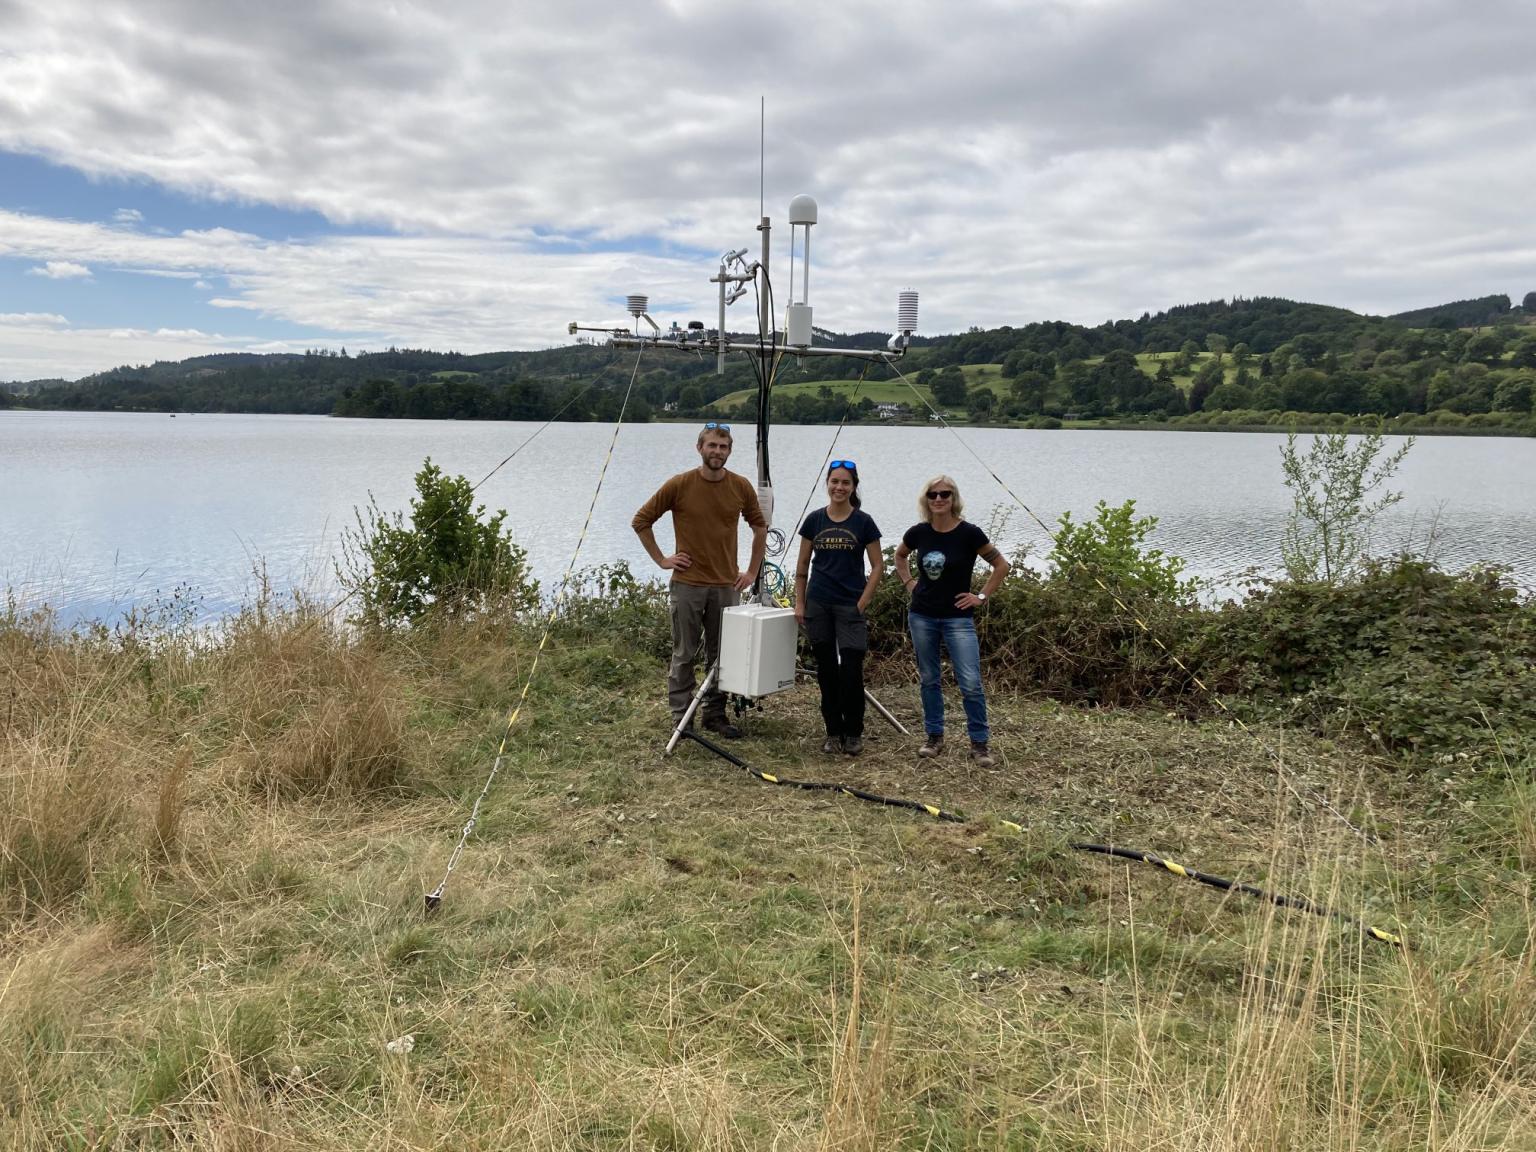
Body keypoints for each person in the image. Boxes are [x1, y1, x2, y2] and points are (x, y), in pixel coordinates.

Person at [633, 422, 767, 738]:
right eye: (711, 446)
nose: (717, 452)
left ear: (729, 451)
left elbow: (759, 527)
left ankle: (714, 715)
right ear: (700, 448)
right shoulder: (680, 485)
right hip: (687, 585)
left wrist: (750, 571)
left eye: (723, 447)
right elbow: (641, 521)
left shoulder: (741, 486)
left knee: (722, 656)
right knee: (684, 654)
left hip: (725, 586)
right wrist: (663, 560)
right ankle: (682, 718)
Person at [893, 475, 1009, 766]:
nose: (939, 499)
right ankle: (934, 737)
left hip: (959, 619)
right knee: (929, 679)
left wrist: (980, 597)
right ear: (926, 500)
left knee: (970, 682)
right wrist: (909, 583)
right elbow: (900, 555)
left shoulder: (970, 534)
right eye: (933, 495)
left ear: (953, 498)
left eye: (945, 494)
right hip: (922, 615)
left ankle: (980, 745)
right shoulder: (919, 532)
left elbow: (1001, 565)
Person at [794, 460, 883, 755]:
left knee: (852, 670)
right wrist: (799, 602)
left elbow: (878, 566)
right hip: (818, 605)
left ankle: (853, 732)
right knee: (827, 672)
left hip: (850, 608)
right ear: (827, 484)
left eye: (845, 482)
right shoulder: (815, 520)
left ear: (853, 486)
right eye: (835, 481)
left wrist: (862, 602)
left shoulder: (864, 522)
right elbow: (802, 567)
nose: (839, 487)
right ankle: (833, 732)